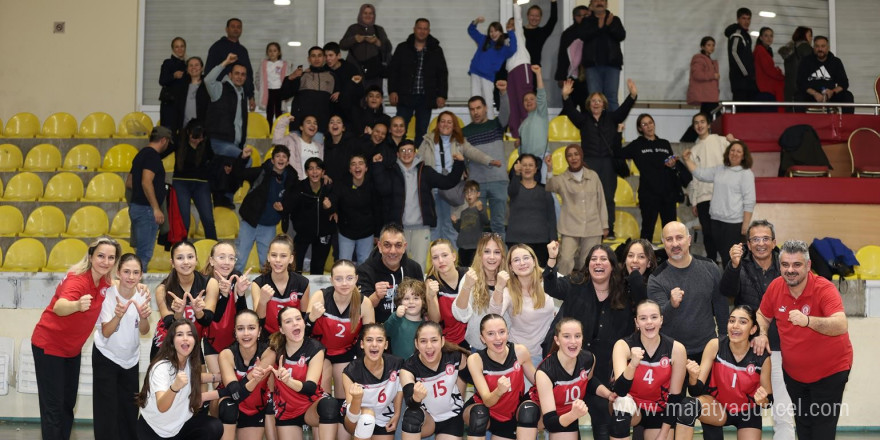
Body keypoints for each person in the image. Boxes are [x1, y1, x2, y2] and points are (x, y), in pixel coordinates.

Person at [753, 240, 853, 439]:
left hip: (830, 372)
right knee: (804, 428)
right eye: (785, 265)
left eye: (797, 265)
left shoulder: (823, 288)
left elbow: (841, 324)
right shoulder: (776, 287)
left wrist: (808, 321)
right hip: (795, 375)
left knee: (822, 430)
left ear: (808, 266)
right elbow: (762, 315)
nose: (790, 270)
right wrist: (762, 334)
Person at [31, 237, 121, 440]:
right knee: (53, 408)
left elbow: (119, 283)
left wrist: (139, 287)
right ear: (90, 256)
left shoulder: (104, 281)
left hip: (72, 350)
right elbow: (59, 306)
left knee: (67, 405)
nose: (105, 262)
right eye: (100, 256)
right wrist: (77, 305)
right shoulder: (77, 279)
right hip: (49, 346)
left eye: (110, 258)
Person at [543, 242, 636, 439]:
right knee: (565, 419)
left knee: (602, 417)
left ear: (612, 265)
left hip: (602, 369)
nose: (598, 263)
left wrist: (620, 367)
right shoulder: (576, 282)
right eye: (593, 259)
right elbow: (551, 287)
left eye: (603, 259)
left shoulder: (624, 292)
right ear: (588, 265)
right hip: (568, 366)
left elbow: (629, 335)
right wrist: (552, 260)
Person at [719, 220, 795, 439]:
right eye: (755, 240)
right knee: (747, 407)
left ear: (774, 242)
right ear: (748, 244)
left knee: (782, 410)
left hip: (781, 348)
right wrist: (733, 265)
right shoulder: (739, 264)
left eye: (765, 239)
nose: (761, 244)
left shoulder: (786, 266)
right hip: (747, 350)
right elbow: (727, 291)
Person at [560, 78, 638, 239]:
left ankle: (608, 229)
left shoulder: (612, 118)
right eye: (593, 101)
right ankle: (590, 228)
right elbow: (570, 111)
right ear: (589, 104)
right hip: (589, 163)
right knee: (589, 197)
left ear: (604, 104)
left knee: (608, 197)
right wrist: (565, 97)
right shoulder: (583, 119)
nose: (596, 103)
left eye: (599, 101)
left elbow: (624, 109)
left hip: (608, 163)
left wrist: (632, 95)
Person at [371, 140, 466, 269]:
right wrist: (377, 165)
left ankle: (418, 290)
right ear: (398, 154)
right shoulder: (391, 172)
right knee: (396, 266)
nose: (406, 153)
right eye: (403, 151)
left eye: (410, 150)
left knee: (419, 266)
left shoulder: (425, 171)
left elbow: (447, 182)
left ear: (415, 153)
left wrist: (459, 163)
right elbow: (382, 189)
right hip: (399, 230)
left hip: (421, 229)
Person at [683, 306, 772, 440]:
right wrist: (693, 378)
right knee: (687, 407)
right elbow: (695, 391)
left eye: (742, 322)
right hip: (717, 407)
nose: (735, 326)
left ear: (753, 329)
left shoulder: (761, 357)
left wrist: (763, 400)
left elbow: (769, 402)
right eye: (731, 321)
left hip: (747, 412)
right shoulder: (715, 345)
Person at [647, 221, 729, 362]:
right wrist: (671, 304)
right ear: (663, 243)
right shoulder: (656, 279)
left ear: (689, 240)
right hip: (671, 351)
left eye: (679, 238)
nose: (675, 244)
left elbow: (721, 305)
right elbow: (656, 319)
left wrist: (723, 339)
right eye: (669, 239)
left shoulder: (710, 267)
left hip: (707, 349)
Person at [609, 300, 688, 440]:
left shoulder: (677, 349)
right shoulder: (623, 345)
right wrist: (632, 365)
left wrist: (663, 434)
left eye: (654, 317)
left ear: (661, 320)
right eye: (643, 318)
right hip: (633, 408)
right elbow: (620, 390)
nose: (649, 322)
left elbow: (675, 397)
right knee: (622, 402)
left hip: (658, 410)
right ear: (637, 322)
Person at [92, 253, 151, 440]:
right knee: (106, 411)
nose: (131, 277)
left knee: (130, 409)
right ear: (118, 273)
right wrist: (118, 315)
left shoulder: (142, 294)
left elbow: (144, 330)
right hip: (106, 356)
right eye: (126, 271)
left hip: (130, 360)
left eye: (135, 272)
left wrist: (143, 317)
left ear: (141, 275)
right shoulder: (108, 294)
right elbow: (106, 332)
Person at [136, 319, 224, 439]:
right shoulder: (161, 367)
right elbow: (161, 406)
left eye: (189, 334)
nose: (185, 338)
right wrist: (174, 388)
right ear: (172, 340)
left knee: (214, 426)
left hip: (179, 427)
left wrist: (216, 377)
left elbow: (193, 377)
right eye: (179, 334)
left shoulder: (189, 362)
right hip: (154, 431)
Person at [419, 111, 498, 245]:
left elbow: (473, 152)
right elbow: (417, 160)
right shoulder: (427, 141)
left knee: (451, 226)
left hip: (453, 189)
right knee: (434, 228)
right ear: (438, 124)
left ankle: (453, 262)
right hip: (432, 190)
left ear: (454, 125)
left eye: (449, 122)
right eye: (443, 121)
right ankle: (436, 262)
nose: (445, 124)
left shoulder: (460, 141)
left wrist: (489, 160)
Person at [532, 318, 617, 439]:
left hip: (568, 412)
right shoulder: (545, 371)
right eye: (566, 336)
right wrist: (573, 415)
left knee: (601, 407)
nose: (573, 341)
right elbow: (550, 423)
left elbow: (589, 381)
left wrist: (608, 394)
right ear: (557, 340)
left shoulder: (589, 359)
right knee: (528, 413)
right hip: (545, 413)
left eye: (577, 336)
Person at [267, 306, 340, 440]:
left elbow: (310, 388)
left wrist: (288, 380)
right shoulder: (274, 349)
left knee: (329, 405)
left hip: (310, 406)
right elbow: (259, 371)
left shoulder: (315, 348)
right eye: (288, 321)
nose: (295, 323)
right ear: (281, 329)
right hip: (286, 410)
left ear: (303, 323)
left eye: (298, 319)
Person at [308, 259, 376, 402]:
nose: (344, 283)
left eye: (349, 278)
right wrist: (311, 318)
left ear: (356, 279)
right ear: (331, 280)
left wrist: (363, 365)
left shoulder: (365, 304)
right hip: (320, 352)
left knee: (344, 400)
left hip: (345, 353)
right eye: (339, 279)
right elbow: (302, 334)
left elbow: (369, 339)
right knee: (323, 400)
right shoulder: (320, 297)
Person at [463, 314, 539, 440]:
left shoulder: (520, 352)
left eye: (502, 332)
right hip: (487, 411)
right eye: (491, 334)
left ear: (508, 333)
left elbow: (540, 382)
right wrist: (499, 391)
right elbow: (487, 401)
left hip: (511, 413)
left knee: (529, 410)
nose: (498, 338)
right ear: (482, 338)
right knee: (478, 415)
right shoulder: (475, 360)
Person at [683, 141, 756, 268]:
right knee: (722, 255)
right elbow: (700, 174)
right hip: (716, 220)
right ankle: (725, 281)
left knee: (730, 257)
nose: (734, 153)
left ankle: (733, 284)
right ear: (728, 153)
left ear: (744, 156)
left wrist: (745, 224)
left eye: (739, 151)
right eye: (732, 150)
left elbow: (749, 200)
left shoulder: (746, 173)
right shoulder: (720, 169)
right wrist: (687, 159)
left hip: (733, 223)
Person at [618, 114, 691, 241]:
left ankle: (672, 259)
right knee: (647, 230)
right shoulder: (637, 145)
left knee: (671, 230)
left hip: (668, 193)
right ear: (640, 129)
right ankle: (644, 259)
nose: (649, 126)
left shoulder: (664, 143)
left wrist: (672, 165)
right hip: (648, 194)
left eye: (650, 123)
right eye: (644, 124)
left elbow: (672, 165)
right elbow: (617, 153)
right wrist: (619, 133)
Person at [399, 321, 470, 440]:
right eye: (423, 341)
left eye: (434, 340)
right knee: (412, 415)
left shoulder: (456, 357)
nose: (429, 346)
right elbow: (410, 403)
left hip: (451, 418)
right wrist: (416, 397)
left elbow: (476, 382)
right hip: (428, 419)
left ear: (442, 341)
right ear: (416, 344)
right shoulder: (408, 368)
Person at [151, 241, 220, 360]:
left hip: (193, 342)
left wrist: (199, 312)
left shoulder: (210, 283)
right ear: (172, 263)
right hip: (166, 341)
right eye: (179, 258)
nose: (186, 262)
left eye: (190, 257)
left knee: (197, 377)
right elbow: (169, 325)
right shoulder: (162, 289)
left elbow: (207, 320)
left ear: (196, 259)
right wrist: (178, 313)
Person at [545, 144, 608, 275]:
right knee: (566, 260)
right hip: (570, 227)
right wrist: (549, 169)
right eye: (569, 155)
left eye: (576, 154)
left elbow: (601, 201)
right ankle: (561, 288)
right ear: (566, 159)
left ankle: (588, 290)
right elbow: (550, 186)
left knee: (588, 261)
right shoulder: (562, 179)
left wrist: (605, 225)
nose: (573, 158)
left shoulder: (593, 176)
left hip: (593, 226)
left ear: (581, 155)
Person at [490, 244, 554, 369]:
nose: (522, 263)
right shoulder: (508, 290)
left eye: (526, 258)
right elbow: (494, 315)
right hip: (521, 356)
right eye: (516, 260)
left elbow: (571, 292)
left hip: (550, 353)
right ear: (511, 267)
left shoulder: (549, 280)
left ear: (534, 261)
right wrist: (498, 287)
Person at [235, 145, 297, 273]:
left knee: (267, 263)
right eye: (278, 156)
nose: (281, 159)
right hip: (250, 222)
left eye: (284, 156)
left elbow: (293, 200)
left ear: (288, 161)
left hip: (269, 226)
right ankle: (232, 290)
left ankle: (266, 291)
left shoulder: (291, 178)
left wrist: (283, 208)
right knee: (240, 260)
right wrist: (243, 158)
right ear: (272, 160)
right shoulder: (262, 172)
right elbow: (238, 173)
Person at [389, 18, 449, 146]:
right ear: (414, 29)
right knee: (399, 130)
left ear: (429, 31)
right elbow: (393, 71)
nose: (422, 31)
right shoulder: (402, 48)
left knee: (422, 132)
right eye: (419, 28)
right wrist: (392, 91)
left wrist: (442, 95)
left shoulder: (436, 50)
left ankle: (419, 163)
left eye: (425, 28)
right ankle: (396, 158)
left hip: (426, 98)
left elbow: (442, 74)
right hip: (405, 96)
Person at [216, 309, 274, 440]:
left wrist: (206, 396)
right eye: (240, 328)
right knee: (229, 406)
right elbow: (235, 393)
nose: (246, 333)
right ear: (235, 333)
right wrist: (252, 376)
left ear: (259, 331)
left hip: (254, 406)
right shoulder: (226, 354)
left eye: (251, 328)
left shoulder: (269, 353)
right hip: (229, 403)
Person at [341, 324, 403, 440]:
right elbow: (352, 417)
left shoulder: (397, 364)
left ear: (386, 345)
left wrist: (397, 413)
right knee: (367, 419)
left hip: (383, 415)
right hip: (356, 416)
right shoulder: (351, 371)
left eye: (379, 340)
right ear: (362, 344)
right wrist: (357, 399)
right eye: (369, 340)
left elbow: (399, 389)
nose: (374, 344)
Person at [688, 112, 735, 263]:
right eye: (696, 122)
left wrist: (733, 141)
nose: (699, 125)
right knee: (707, 233)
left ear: (709, 124)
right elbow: (695, 177)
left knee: (722, 233)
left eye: (702, 122)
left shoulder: (721, 141)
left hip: (721, 195)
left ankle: (729, 264)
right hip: (703, 197)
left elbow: (739, 152)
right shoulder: (694, 150)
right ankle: (711, 263)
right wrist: (694, 200)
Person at [201, 241, 252, 380]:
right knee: (219, 383)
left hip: (233, 340)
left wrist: (241, 294)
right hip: (212, 339)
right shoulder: (203, 281)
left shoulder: (236, 277)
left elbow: (243, 316)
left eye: (231, 258)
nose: (227, 262)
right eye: (222, 257)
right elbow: (212, 319)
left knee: (234, 383)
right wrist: (223, 295)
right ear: (211, 260)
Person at [357, 223, 425, 324]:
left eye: (398, 245)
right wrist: (376, 296)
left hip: (408, 328)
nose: (393, 251)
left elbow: (422, 305)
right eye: (387, 245)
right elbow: (360, 310)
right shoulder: (365, 271)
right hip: (378, 331)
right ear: (379, 246)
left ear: (404, 247)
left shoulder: (414, 268)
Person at [463, 95, 510, 237]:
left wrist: (503, 93)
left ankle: (502, 258)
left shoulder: (497, 125)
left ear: (486, 108)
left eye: (478, 108)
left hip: (499, 181)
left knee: (498, 225)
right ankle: (478, 259)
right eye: (472, 109)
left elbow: (506, 112)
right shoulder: (464, 132)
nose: (475, 112)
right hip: (476, 184)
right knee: (476, 225)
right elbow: (464, 156)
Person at [452, 234, 508, 350]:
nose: (492, 257)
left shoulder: (509, 278)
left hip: (506, 346)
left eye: (497, 252)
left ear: (502, 256)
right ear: (480, 255)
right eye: (487, 251)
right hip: (478, 347)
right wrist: (467, 286)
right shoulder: (471, 277)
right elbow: (461, 316)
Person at [127, 126, 172, 266]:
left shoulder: (140, 154)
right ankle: (137, 286)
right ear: (164, 140)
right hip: (146, 210)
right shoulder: (152, 156)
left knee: (140, 253)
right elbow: (146, 182)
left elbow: (129, 182)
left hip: (137, 207)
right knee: (144, 255)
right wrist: (155, 208)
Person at [252, 234, 311, 337]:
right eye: (274, 255)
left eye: (283, 256)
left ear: (291, 259)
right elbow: (258, 323)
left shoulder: (302, 283)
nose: (278, 260)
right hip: (267, 337)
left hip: (293, 337)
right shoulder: (258, 284)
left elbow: (304, 319)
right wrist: (262, 301)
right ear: (268, 257)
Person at [330, 154, 382, 264]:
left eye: (360, 163)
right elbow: (333, 200)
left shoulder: (372, 186)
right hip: (346, 232)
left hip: (366, 233)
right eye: (353, 164)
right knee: (344, 263)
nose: (357, 167)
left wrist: (377, 234)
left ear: (366, 168)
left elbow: (377, 210)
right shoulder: (341, 185)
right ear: (350, 170)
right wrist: (332, 209)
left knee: (365, 264)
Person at [507, 154, 556, 267]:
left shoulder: (544, 190)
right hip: (516, 241)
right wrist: (516, 174)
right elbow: (512, 190)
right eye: (524, 165)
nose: (527, 168)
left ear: (536, 169)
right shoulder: (514, 188)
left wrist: (553, 239)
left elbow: (551, 217)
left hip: (541, 242)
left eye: (530, 165)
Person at [279, 46, 337, 138]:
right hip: (299, 127)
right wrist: (290, 78)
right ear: (309, 59)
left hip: (320, 127)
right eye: (313, 56)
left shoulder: (332, 77)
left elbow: (336, 102)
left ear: (324, 58)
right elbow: (283, 95)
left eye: (319, 55)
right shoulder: (301, 76)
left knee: (316, 152)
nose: (316, 59)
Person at [289, 157, 335, 275]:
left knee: (318, 269)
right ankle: (296, 291)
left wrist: (330, 208)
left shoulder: (329, 187)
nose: (314, 172)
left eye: (318, 168)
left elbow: (337, 206)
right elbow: (291, 208)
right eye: (311, 169)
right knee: (295, 267)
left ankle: (316, 293)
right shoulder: (299, 188)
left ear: (323, 172)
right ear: (306, 172)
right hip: (303, 233)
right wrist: (299, 225)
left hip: (323, 234)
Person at [172, 120, 217, 240]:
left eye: (200, 138)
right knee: (184, 221)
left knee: (208, 219)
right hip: (181, 182)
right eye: (194, 138)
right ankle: (181, 249)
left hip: (201, 183)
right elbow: (163, 150)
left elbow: (213, 159)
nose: (197, 141)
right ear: (188, 133)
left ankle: (215, 249)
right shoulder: (179, 140)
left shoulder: (205, 143)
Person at [579, 0, 626, 111]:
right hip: (592, 66)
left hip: (612, 65)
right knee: (594, 99)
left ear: (606, 3)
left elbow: (621, 35)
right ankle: (595, 127)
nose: (599, 2)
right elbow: (583, 35)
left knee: (611, 98)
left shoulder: (614, 20)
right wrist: (600, 27)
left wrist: (609, 26)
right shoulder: (587, 21)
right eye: (596, 0)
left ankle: (614, 127)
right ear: (591, 5)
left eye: (602, 0)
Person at [467, 17, 517, 120]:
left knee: (488, 102)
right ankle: (476, 125)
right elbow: (471, 30)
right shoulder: (484, 40)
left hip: (488, 77)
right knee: (474, 100)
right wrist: (476, 21)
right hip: (475, 72)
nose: (493, 34)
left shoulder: (503, 48)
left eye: (496, 31)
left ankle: (489, 126)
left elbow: (513, 49)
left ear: (501, 33)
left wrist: (511, 32)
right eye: (491, 31)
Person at [204, 53, 250, 159]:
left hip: (236, 144)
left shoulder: (243, 94)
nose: (240, 77)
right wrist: (225, 63)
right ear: (230, 75)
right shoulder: (220, 88)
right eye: (237, 73)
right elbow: (208, 80)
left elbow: (240, 122)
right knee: (246, 160)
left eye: (243, 74)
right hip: (219, 142)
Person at [425, 239, 469, 348]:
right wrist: (430, 297)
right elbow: (435, 320)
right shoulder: (431, 282)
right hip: (448, 342)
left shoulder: (468, 275)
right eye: (435, 257)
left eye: (444, 255)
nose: (440, 260)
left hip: (473, 337)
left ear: (453, 256)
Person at [205, 18, 255, 111]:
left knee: (241, 123)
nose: (236, 29)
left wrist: (251, 96)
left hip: (241, 94)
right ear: (226, 29)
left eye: (238, 27)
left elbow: (248, 75)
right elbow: (209, 73)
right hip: (222, 95)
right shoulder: (216, 47)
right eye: (233, 27)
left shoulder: (243, 51)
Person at [796, 35, 855, 113]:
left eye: (823, 46)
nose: (820, 49)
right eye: (817, 46)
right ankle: (801, 123)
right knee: (798, 96)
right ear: (813, 48)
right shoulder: (806, 61)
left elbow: (844, 83)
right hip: (812, 94)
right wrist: (815, 93)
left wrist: (832, 92)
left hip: (830, 94)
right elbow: (800, 83)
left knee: (848, 96)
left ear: (828, 48)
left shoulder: (836, 61)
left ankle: (847, 123)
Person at [340, 3, 392, 90]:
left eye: (370, 13)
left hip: (375, 71)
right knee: (355, 97)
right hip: (355, 70)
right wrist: (354, 39)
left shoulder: (379, 29)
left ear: (374, 15)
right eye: (365, 13)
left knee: (373, 97)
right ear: (361, 14)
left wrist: (377, 41)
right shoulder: (353, 28)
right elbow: (342, 45)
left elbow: (388, 48)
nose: (368, 15)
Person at [502, 1, 532, 139]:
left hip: (522, 67)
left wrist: (515, 4)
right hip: (511, 72)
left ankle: (528, 131)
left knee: (524, 100)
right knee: (512, 101)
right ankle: (515, 132)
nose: (512, 25)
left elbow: (518, 20)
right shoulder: (507, 41)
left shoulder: (519, 33)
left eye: (514, 24)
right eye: (510, 24)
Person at [555, 6, 590, 113]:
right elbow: (562, 57)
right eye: (580, 16)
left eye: (586, 16)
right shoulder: (568, 33)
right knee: (568, 110)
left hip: (588, 77)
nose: (583, 18)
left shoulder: (592, 32)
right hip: (571, 78)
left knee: (587, 110)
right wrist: (561, 77)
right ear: (575, 17)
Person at [324, 42, 365, 128]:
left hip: (350, 116)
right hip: (331, 115)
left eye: (331, 55)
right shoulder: (323, 70)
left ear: (338, 55)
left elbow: (360, 91)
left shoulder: (350, 69)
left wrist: (342, 93)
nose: (328, 59)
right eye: (325, 56)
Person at [385, 278, 427, 359]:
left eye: (416, 298)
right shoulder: (396, 320)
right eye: (406, 298)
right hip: (400, 367)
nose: (411, 302)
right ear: (400, 302)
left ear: (423, 301)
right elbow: (386, 331)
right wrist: (396, 316)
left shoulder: (427, 323)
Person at [451, 181, 490, 267]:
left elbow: (486, 221)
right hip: (462, 247)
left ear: (478, 194)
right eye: (466, 192)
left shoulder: (480, 209)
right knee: (462, 269)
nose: (469, 195)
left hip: (474, 247)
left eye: (472, 192)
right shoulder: (464, 212)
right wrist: (454, 222)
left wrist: (481, 210)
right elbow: (460, 229)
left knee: (474, 270)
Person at [517, 65, 550, 161]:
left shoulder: (541, 113)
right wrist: (518, 144)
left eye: (532, 99)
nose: (528, 101)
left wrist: (538, 74)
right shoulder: (522, 124)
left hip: (541, 157)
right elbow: (520, 149)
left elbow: (541, 95)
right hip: (527, 160)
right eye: (525, 100)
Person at [725, 7, 758, 101]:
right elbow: (734, 53)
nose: (746, 21)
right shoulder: (737, 34)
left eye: (748, 19)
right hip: (740, 81)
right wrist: (746, 73)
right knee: (741, 111)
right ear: (738, 19)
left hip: (747, 81)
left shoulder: (745, 35)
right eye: (743, 18)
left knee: (748, 112)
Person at [159, 37, 188, 136]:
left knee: (181, 136)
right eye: (177, 47)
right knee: (167, 136)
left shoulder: (187, 65)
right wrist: (173, 76)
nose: (180, 49)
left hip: (182, 106)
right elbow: (162, 81)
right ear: (173, 49)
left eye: (182, 46)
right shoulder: (168, 63)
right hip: (170, 106)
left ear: (185, 48)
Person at [686, 36, 721, 117]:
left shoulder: (709, 60)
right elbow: (697, 74)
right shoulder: (699, 59)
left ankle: (695, 130)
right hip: (707, 96)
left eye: (713, 45)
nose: (711, 47)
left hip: (709, 96)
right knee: (714, 118)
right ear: (702, 46)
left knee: (706, 118)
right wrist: (713, 75)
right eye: (709, 45)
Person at [779, 26, 813, 105]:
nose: (811, 38)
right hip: (802, 89)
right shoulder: (805, 48)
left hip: (789, 89)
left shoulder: (790, 50)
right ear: (803, 35)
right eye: (810, 35)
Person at [258, 42, 289, 126]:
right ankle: (269, 130)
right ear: (267, 52)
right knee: (270, 112)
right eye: (270, 51)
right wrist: (260, 88)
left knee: (279, 112)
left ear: (279, 52)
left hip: (279, 90)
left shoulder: (283, 64)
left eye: (275, 51)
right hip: (269, 91)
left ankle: (279, 130)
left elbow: (287, 78)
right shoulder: (264, 64)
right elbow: (259, 78)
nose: (272, 53)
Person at [754, 27, 785, 104]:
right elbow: (769, 69)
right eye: (766, 35)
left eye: (771, 36)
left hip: (764, 87)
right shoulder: (760, 50)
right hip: (765, 88)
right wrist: (780, 74)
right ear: (761, 37)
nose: (769, 38)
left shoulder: (763, 50)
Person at [523, 0, 558, 66]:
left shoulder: (542, 32)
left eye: (537, 16)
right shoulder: (520, 31)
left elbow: (553, 19)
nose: (534, 18)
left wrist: (553, 2)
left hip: (535, 68)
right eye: (532, 15)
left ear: (541, 17)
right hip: (520, 67)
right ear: (527, 16)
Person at [324, 115, 358, 184]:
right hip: (330, 186)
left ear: (343, 128)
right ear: (328, 128)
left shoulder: (352, 143)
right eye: (331, 122)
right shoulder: (325, 146)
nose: (335, 124)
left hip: (348, 186)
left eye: (338, 122)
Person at [178, 56, 206, 130]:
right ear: (187, 69)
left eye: (196, 65)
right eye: (191, 65)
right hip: (184, 129)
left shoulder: (207, 86)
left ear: (202, 68)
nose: (193, 68)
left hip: (202, 130)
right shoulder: (182, 87)